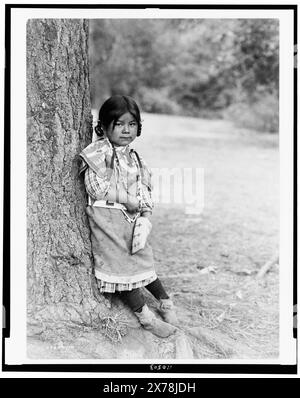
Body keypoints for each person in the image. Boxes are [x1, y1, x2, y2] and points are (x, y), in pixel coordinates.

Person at [79, 95, 178, 338]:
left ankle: (166, 302)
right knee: (120, 267)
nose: (126, 130)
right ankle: (146, 318)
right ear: (104, 125)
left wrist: (145, 213)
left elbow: (144, 191)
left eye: (132, 124)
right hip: (106, 218)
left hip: (132, 220)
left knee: (143, 258)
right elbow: (96, 188)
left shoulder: (135, 158)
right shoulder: (97, 153)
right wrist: (127, 198)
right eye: (119, 123)